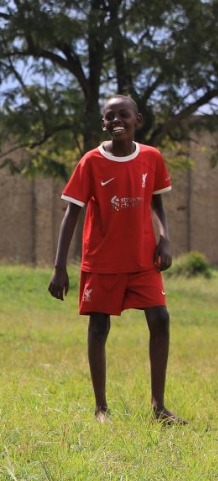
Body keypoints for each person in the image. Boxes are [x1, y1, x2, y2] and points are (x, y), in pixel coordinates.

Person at [48, 94, 186, 425]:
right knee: (98, 326)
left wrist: (164, 238)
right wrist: (59, 267)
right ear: (104, 124)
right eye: (110, 117)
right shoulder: (91, 161)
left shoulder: (151, 157)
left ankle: (158, 407)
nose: (117, 121)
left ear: (138, 119)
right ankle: (101, 408)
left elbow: (157, 203)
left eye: (124, 115)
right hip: (102, 260)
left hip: (142, 259)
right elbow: (72, 214)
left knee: (161, 319)